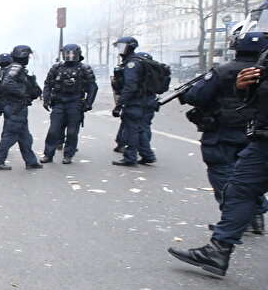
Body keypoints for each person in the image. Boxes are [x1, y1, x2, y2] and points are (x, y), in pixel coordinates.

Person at [169, 61, 268, 277]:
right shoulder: (262, 59)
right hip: (261, 138)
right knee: (240, 189)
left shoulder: (223, 70)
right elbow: (254, 98)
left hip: (241, 135)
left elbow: (197, 96)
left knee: (235, 183)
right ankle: (218, 250)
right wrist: (242, 88)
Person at [178, 30, 267, 233]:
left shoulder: (223, 70)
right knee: (250, 175)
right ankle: (257, 214)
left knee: (224, 174)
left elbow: (198, 96)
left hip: (223, 130)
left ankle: (233, 222)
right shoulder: (263, 70)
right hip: (256, 131)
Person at [40, 43, 98, 165]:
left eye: (72, 54)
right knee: (53, 130)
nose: (69, 56)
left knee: (72, 131)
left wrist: (88, 102)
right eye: (67, 53)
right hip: (59, 103)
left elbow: (93, 87)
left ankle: (68, 155)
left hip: (75, 103)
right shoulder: (56, 68)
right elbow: (48, 84)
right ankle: (48, 154)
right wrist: (46, 99)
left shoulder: (84, 69)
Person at [0, 45, 43, 170]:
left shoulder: (17, 68)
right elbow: (7, 83)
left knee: (25, 137)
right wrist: (23, 93)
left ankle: (30, 161)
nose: (29, 59)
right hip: (16, 106)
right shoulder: (16, 68)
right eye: (27, 56)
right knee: (11, 135)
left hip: (17, 106)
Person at [111, 37, 157, 167]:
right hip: (146, 100)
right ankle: (148, 155)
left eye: (121, 46)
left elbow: (130, 86)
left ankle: (130, 157)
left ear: (129, 47)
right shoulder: (139, 61)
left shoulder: (132, 64)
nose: (120, 50)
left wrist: (119, 104)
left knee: (132, 130)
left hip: (136, 102)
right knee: (141, 128)